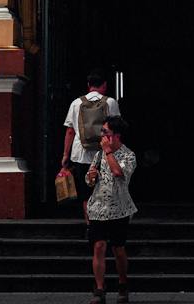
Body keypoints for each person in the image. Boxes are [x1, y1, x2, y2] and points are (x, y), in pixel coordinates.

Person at [84, 116, 136, 304]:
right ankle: (99, 289)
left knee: (118, 248)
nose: (102, 135)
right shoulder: (98, 156)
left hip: (119, 208)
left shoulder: (128, 155)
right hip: (98, 207)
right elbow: (89, 181)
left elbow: (118, 173)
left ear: (115, 135)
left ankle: (123, 283)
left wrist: (108, 152)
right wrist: (91, 176)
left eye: (106, 132)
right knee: (98, 246)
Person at [60, 71, 120, 221]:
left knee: (86, 194)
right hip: (105, 154)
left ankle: (90, 225)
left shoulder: (76, 103)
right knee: (105, 190)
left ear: (88, 86)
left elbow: (69, 131)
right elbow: (117, 129)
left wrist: (65, 155)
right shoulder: (110, 102)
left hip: (81, 154)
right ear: (104, 85)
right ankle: (103, 223)